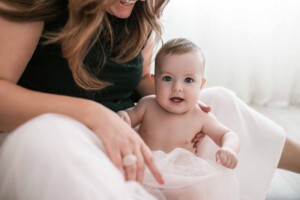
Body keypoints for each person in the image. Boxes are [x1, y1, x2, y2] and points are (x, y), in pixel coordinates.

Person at [0, 0, 299, 199]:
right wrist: (94, 116)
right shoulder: (35, 4)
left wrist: (178, 99)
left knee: (216, 103)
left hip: (128, 129)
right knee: (44, 139)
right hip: (57, 136)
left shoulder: (137, 9)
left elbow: (141, 77)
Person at [117, 38, 240, 200]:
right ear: (155, 82)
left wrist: (229, 149)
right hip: (147, 169)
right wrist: (123, 116)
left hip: (182, 176)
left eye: (188, 80)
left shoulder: (200, 115)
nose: (177, 87)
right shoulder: (147, 105)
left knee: (192, 195)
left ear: (201, 85)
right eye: (167, 78)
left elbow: (227, 134)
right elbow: (127, 118)